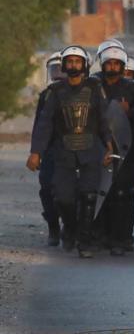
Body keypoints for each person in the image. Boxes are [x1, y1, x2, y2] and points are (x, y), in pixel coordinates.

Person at [27, 46, 114, 257]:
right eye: (70, 61)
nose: (74, 65)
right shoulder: (55, 92)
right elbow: (45, 123)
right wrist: (36, 152)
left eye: (77, 61)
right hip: (63, 151)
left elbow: (103, 120)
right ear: (64, 65)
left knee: (89, 195)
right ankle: (70, 228)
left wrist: (109, 145)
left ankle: (84, 242)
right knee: (63, 198)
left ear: (84, 65)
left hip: (90, 148)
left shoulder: (94, 89)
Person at [98, 46, 134, 255]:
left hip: (126, 149)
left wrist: (129, 111)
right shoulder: (94, 85)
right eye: (109, 63)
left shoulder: (133, 88)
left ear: (122, 66)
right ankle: (101, 235)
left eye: (116, 63)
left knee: (124, 194)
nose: (112, 67)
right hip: (100, 147)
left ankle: (123, 238)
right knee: (100, 193)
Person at [31, 53, 64, 246]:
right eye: (55, 69)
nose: (59, 73)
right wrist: (36, 152)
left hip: (76, 150)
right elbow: (39, 126)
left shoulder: (85, 92)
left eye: (62, 68)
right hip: (51, 150)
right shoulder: (47, 95)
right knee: (47, 189)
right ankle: (53, 226)